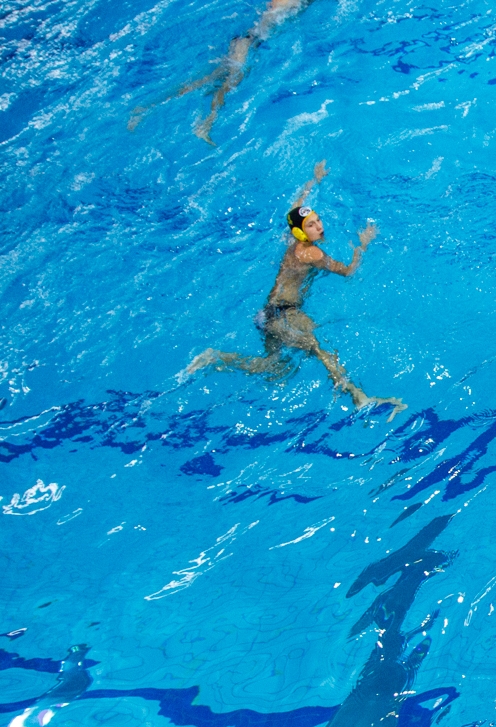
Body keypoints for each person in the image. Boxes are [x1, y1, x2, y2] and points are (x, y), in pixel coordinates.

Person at [185, 162, 405, 419]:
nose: (319, 226)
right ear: (301, 231)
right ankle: (358, 396)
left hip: (267, 315)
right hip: (285, 314)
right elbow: (347, 271)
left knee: (274, 367)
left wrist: (314, 181)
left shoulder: (292, 239)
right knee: (319, 348)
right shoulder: (311, 252)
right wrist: (362, 246)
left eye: (318, 220)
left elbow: (293, 207)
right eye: (311, 225)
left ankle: (217, 358)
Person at [128, 0, 309, 143]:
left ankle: (144, 108)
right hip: (246, 46)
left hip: (244, 41)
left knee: (204, 80)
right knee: (228, 84)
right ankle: (206, 125)